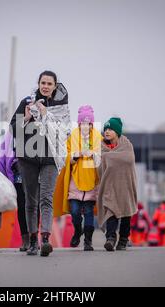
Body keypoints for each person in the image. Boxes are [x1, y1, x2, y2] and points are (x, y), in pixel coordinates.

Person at [10, 71, 71, 257]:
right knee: (30, 200)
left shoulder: (62, 106)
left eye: (49, 83)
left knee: (46, 198)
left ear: (54, 86)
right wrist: (27, 118)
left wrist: (46, 115)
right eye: (43, 82)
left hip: (51, 158)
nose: (45, 86)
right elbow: (13, 128)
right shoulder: (26, 102)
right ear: (38, 84)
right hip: (28, 157)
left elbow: (65, 131)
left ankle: (45, 239)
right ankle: (32, 241)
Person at [53, 105, 102, 251]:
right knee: (74, 211)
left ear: (92, 124)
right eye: (82, 123)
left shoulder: (97, 137)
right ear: (79, 123)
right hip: (75, 181)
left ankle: (88, 240)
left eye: (88, 123)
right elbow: (66, 156)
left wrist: (93, 155)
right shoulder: (73, 136)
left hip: (91, 182)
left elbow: (101, 156)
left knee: (88, 213)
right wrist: (75, 155)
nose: (85, 126)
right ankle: (77, 230)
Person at [98, 117, 138, 251]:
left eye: (110, 129)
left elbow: (129, 159)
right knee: (111, 211)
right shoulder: (101, 146)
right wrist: (108, 158)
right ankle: (110, 238)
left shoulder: (127, 145)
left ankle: (123, 239)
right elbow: (98, 165)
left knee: (126, 214)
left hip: (125, 186)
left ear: (117, 131)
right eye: (105, 129)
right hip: (109, 186)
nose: (107, 132)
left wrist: (109, 158)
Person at [0, 130, 31, 252]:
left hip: (34, 173)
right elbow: (3, 149)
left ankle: (33, 236)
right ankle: (26, 238)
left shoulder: (38, 126)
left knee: (33, 206)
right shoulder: (13, 131)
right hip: (18, 173)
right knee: (22, 206)